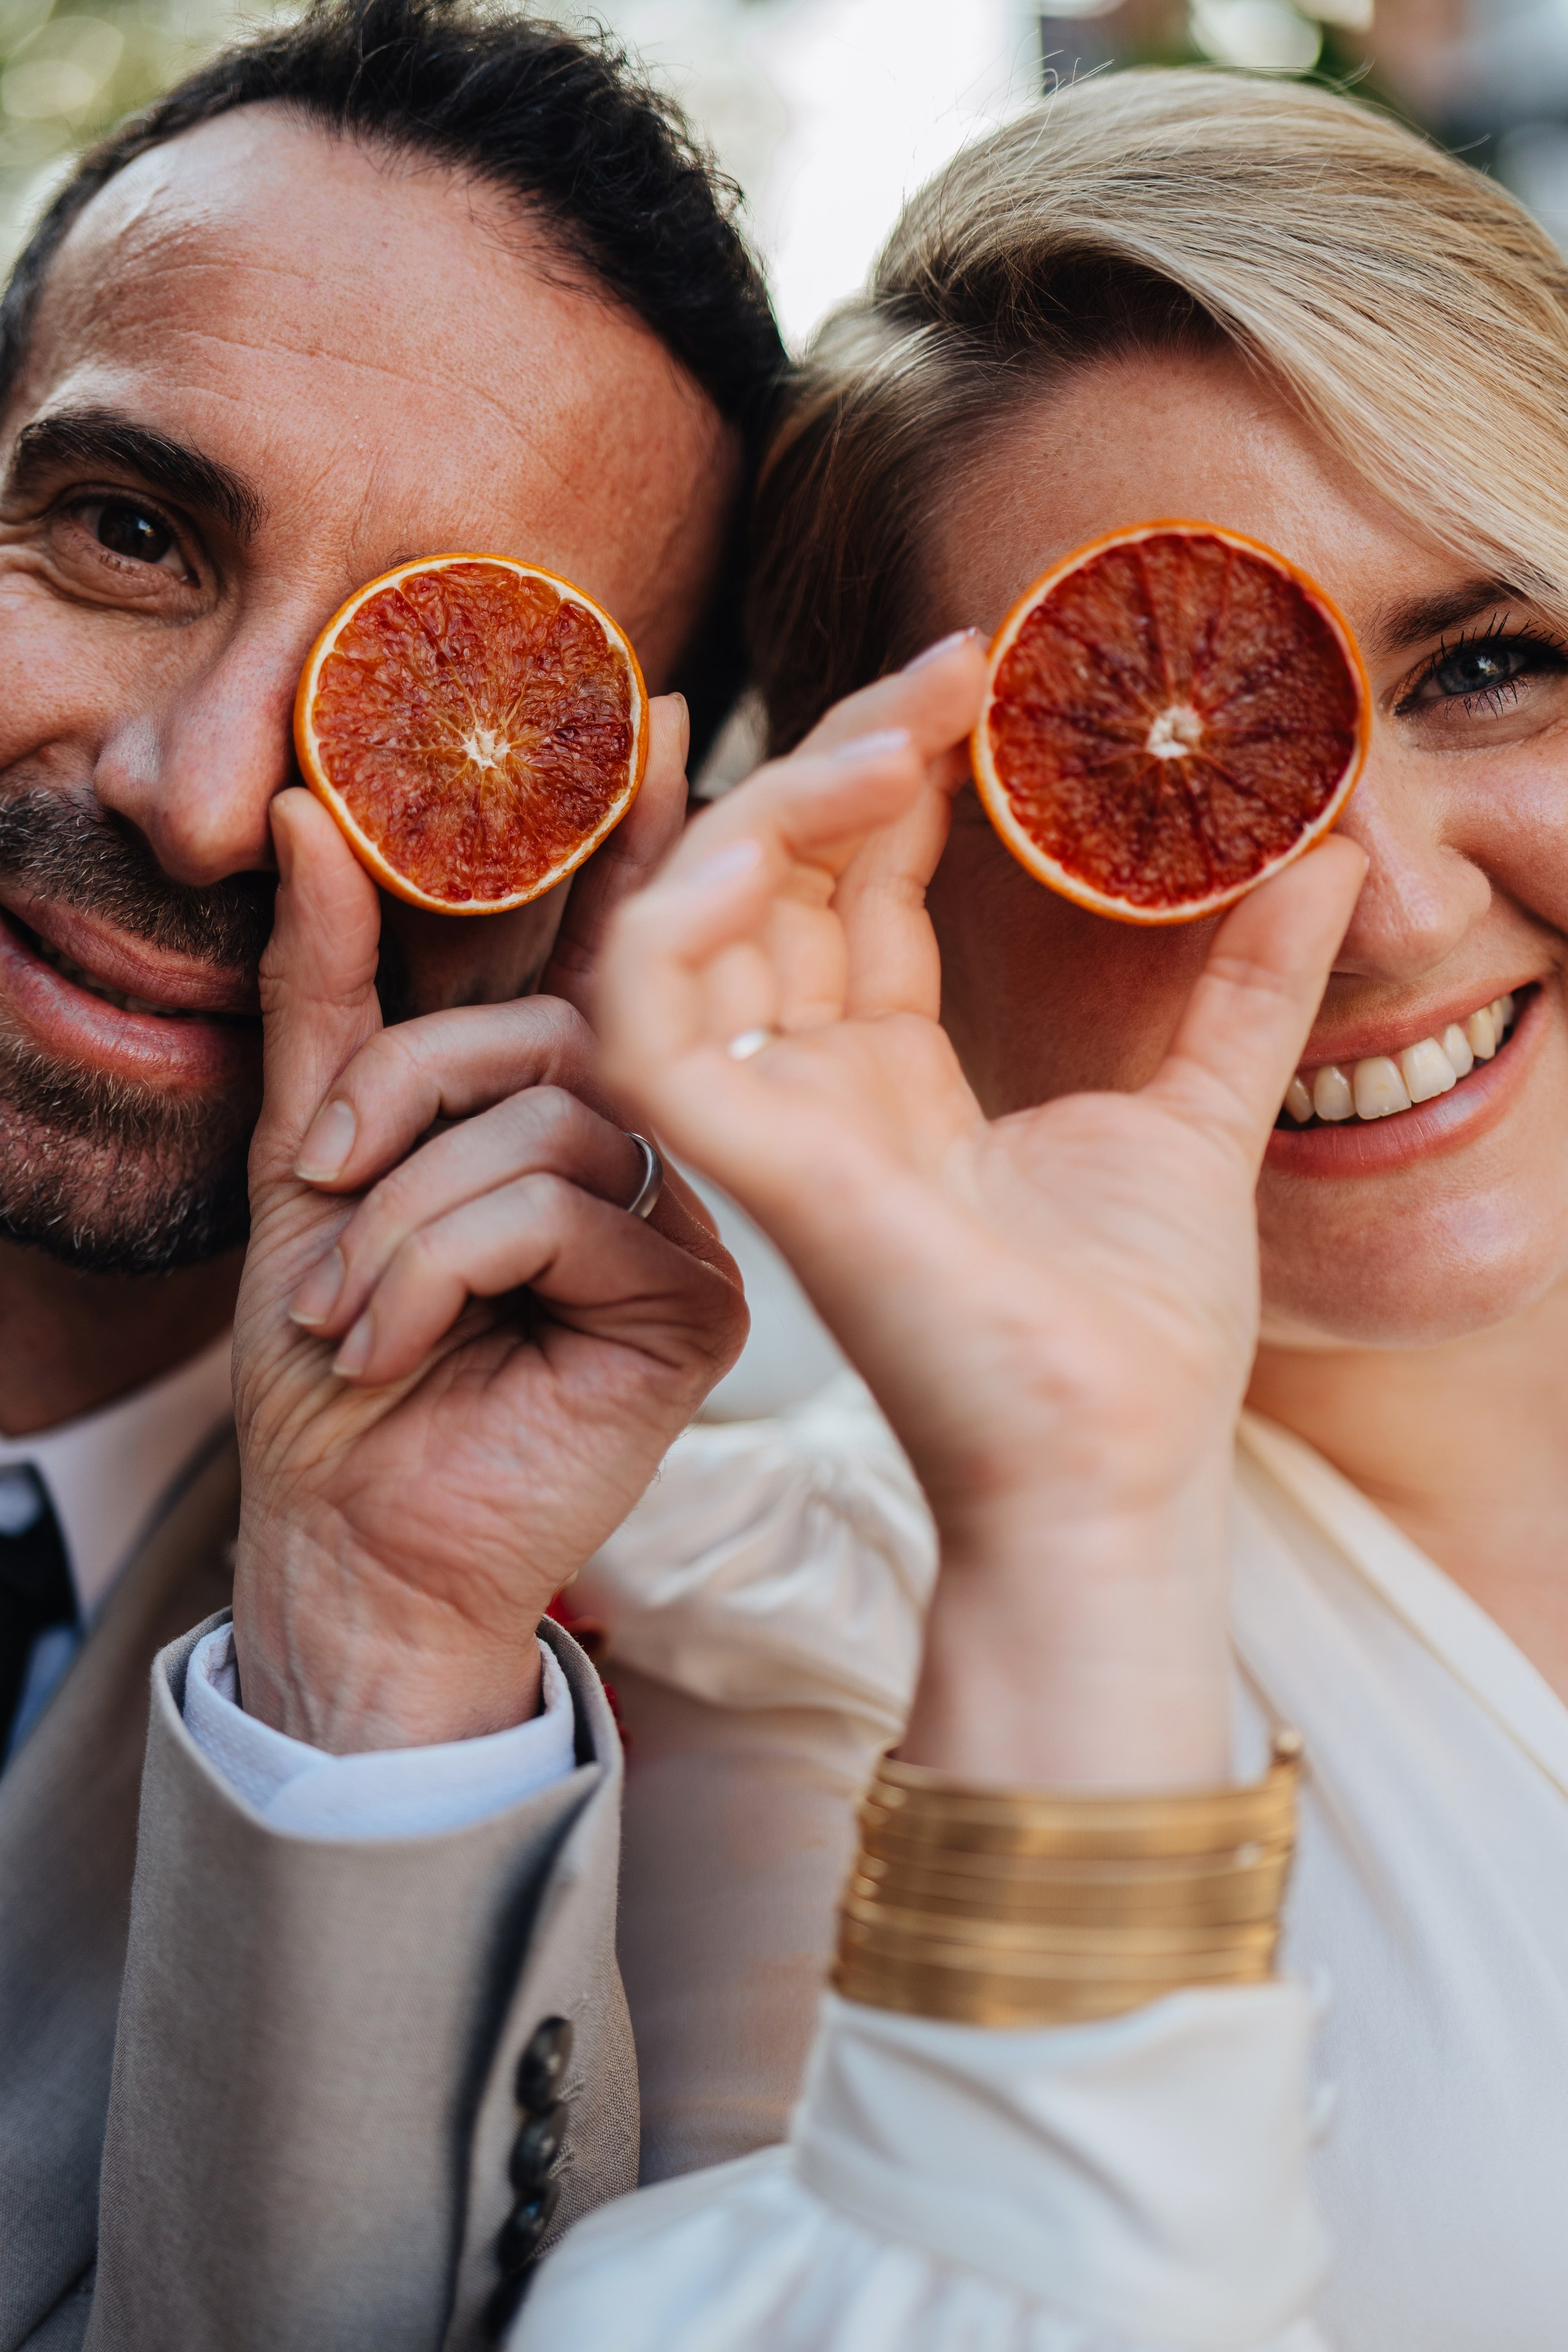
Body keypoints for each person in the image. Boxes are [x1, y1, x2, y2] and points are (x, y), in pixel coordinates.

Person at [518, 69, 1568, 2347]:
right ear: (894, 874)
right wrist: (1083, 1519)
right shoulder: (849, 1653)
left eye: (1486, 665)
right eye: (1133, 759)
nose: (1370, 907)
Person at [0, 0, 783, 2340]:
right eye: (127, 530)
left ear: (629, 856)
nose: (212, 793)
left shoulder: (689, 1741)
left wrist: (368, 1639)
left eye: (442, 705)